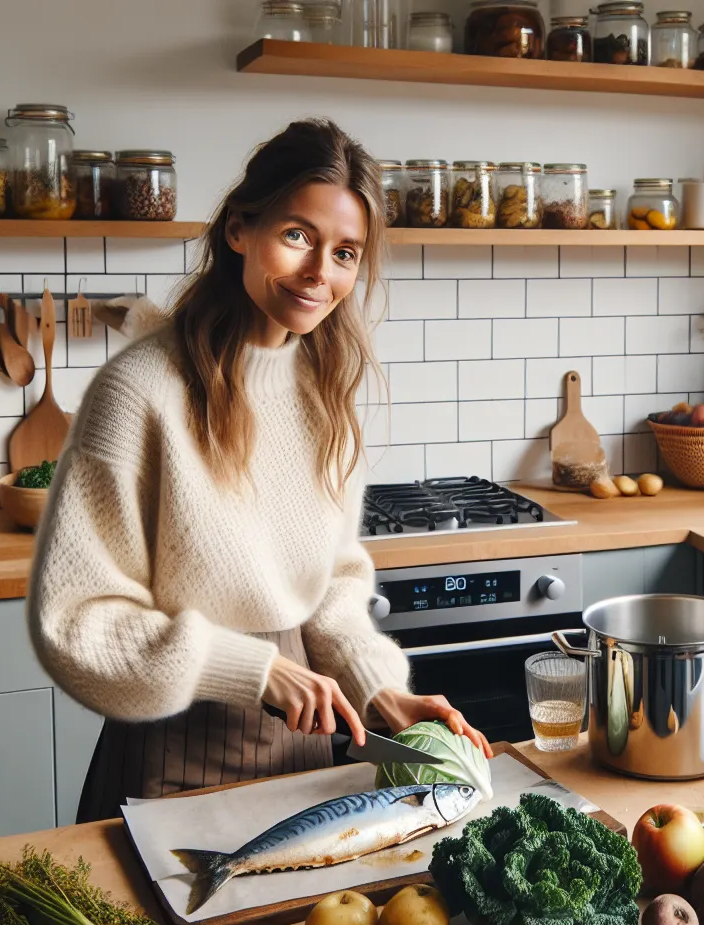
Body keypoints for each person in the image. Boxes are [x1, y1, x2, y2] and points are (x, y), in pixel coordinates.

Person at [28, 119, 489, 823]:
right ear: (240, 229)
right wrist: (252, 670)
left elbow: (327, 590)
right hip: (172, 757)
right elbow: (76, 622)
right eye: (297, 236)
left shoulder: (324, 392)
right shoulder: (140, 391)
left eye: (345, 253)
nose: (319, 275)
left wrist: (375, 691)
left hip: (304, 755)